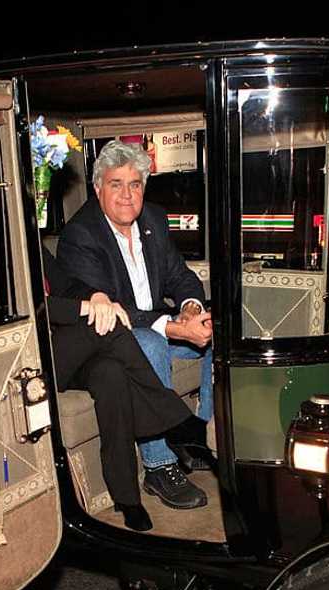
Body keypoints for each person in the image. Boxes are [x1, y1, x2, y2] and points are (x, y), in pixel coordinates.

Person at [54, 140, 213, 510]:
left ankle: (197, 437)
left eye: (135, 184)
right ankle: (158, 464)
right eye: (115, 184)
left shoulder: (153, 219)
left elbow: (179, 275)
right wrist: (173, 327)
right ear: (98, 189)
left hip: (152, 321)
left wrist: (190, 309)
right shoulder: (81, 235)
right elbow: (115, 313)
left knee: (215, 330)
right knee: (151, 343)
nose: (127, 195)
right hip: (113, 338)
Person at [44, 252, 208, 532]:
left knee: (112, 374)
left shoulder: (30, 246)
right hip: (35, 360)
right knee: (107, 324)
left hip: (72, 349)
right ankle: (176, 420)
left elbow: (67, 285)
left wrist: (98, 298)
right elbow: (27, 311)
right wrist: (85, 309)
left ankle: (127, 498)